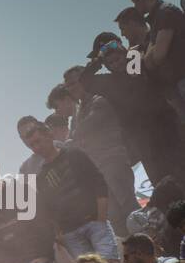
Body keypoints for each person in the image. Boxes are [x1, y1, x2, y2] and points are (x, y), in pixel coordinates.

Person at [79, 33, 185, 187]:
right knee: (162, 181)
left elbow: (136, 70)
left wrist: (123, 51)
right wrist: (98, 59)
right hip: (142, 139)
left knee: (180, 168)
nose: (116, 63)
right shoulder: (108, 83)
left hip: (166, 127)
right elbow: (85, 80)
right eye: (111, 62)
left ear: (124, 52)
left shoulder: (135, 64)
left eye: (118, 58)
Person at [17, 115, 118, 263]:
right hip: (71, 233)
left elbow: (98, 182)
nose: (36, 147)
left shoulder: (72, 152)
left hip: (94, 221)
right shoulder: (35, 174)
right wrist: (59, 234)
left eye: (38, 141)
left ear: (48, 134)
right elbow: (46, 208)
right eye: (31, 144)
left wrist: (101, 218)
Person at [49, 80, 137, 235]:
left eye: (57, 106)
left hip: (112, 161)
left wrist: (67, 144)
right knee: (114, 214)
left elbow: (85, 131)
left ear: (65, 99)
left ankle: (152, 242)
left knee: (129, 207)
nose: (57, 111)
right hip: (99, 169)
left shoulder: (94, 102)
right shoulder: (77, 116)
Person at [130, 0, 185, 121]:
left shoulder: (165, 12)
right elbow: (137, 71)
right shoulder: (156, 20)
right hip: (174, 85)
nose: (123, 33)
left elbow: (158, 56)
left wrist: (147, 57)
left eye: (134, 1)